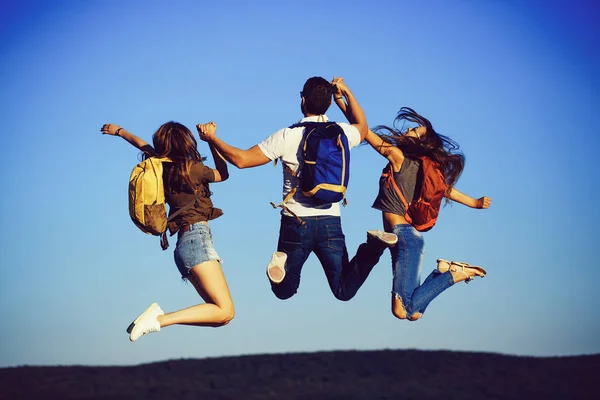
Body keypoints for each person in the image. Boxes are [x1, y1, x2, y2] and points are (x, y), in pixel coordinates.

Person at [197, 76, 396, 301]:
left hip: (295, 222)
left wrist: (212, 138)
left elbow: (241, 160)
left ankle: (280, 271)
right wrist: (346, 92)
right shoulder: (342, 132)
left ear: (302, 100)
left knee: (285, 290)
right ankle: (374, 247)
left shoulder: (287, 135)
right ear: (330, 103)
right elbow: (362, 126)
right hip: (330, 221)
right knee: (343, 290)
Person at [334, 86, 491, 320]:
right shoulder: (426, 171)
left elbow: (363, 131)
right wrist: (475, 204)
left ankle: (454, 274)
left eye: (414, 129)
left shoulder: (398, 158)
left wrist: (345, 96)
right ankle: (442, 273)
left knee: (401, 310)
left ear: (422, 142)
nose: (408, 128)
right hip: (407, 239)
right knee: (414, 312)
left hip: (403, 237)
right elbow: (448, 191)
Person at [101, 121, 235, 341]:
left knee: (221, 316)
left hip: (183, 246)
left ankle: (158, 320)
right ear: (186, 141)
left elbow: (142, 146)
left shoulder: (158, 166)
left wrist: (120, 132)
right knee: (225, 311)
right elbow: (223, 173)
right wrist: (211, 139)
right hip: (196, 240)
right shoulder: (195, 170)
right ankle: (159, 319)